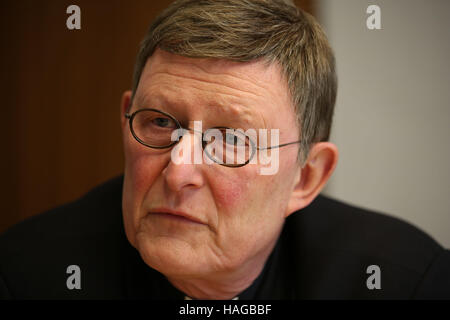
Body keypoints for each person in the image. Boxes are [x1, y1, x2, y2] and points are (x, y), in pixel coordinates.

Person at [0, 0, 449, 300]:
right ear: (126, 119)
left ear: (306, 176)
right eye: (160, 122)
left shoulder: (404, 282)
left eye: (232, 139)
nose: (178, 174)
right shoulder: (26, 275)